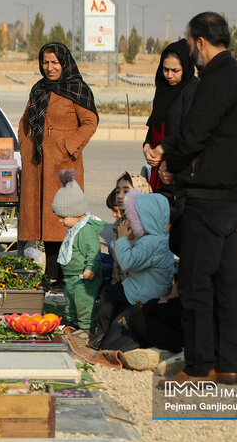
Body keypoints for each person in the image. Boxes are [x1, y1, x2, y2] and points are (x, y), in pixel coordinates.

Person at [154, 12, 237, 387]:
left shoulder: (216, 80)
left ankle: (198, 368)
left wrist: (172, 166)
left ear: (199, 42)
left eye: (189, 41)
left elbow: (194, 135)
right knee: (226, 286)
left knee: (197, 285)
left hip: (208, 199)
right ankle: (227, 366)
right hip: (231, 198)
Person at [18, 42, 99, 285]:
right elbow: (25, 120)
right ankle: (51, 273)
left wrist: (68, 146)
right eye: (45, 62)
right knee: (44, 219)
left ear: (64, 63)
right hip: (38, 162)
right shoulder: (38, 89)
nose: (50, 67)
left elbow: (90, 121)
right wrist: (25, 145)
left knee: (64, 216)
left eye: (55, 62)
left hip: (64, 164)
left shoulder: (77, 88)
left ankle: (66, 273)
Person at [88, 189, 175, 353]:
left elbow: (127, 263)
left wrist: (121, 239)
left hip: (141, 293)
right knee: (114, 292)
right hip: (146, 287)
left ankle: (101, 334)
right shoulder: (161, 238)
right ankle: (106, 332)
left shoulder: (150, 243)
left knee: (108, 294)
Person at [51, 169, 105, 332]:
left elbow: (93, 251)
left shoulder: (86, 231)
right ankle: (73, 323)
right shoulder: (74, 228)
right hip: (71, 275)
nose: (60, 221)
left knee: (84, 303)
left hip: (83, 276)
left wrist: (90, 267)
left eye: (63, 216)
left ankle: (87, 327)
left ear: (75, 212)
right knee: (71, 301)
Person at [142, 39, 198, 195]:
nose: (169, 75)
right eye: (165, 69)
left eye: (175, 70)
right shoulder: (163, 89)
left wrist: (162, 148)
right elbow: (155, 124)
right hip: (157, 167)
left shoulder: (193, 90)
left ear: (185, 68)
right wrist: (147, 147)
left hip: (179, 170)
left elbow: (190, 129)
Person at [104, 171, 151, 285]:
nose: (120, 196)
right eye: (117, 191)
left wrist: (121, 242)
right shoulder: (124, 220)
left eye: (126, 191)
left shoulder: (142, 224)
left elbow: (130, 263)